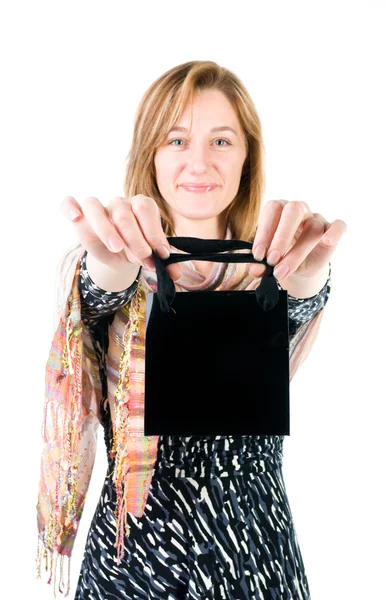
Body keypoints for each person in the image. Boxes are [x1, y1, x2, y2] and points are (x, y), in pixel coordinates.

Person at [36, 60, 346, 600]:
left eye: (221, 141)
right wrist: (111, 266)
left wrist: (309, 273)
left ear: (247, 156)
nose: (198, 161)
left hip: (256, 555)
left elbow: (300, 305)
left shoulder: (279, 270)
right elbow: (93, 296)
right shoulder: (109, 262)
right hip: (135, 564)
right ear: (150, 155)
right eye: (176, 139)